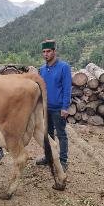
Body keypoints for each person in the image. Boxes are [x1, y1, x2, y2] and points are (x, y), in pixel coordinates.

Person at [36, 39, 72, 171]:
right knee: (48, 134)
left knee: (61, 135)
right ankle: (49, 157)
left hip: (58, 109)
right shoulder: (42, 69)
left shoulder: (64, 67)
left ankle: (63, 161)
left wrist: (65, 107)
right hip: (46, 108)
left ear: (54, 52)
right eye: (44, 52)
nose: (46, 54)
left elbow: (67, 88)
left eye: (48, 51)